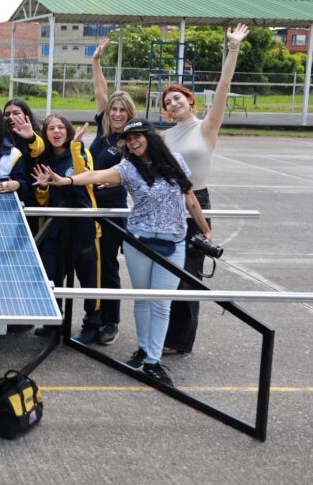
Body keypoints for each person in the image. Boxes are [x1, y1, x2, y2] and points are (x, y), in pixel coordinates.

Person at [33, 120, 211, 387]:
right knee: (141, 300)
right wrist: (64, 180)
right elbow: (95, 176)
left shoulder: (175, 161)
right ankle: (143, 351)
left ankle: (152, 362)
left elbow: (190, 198)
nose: (133, 142)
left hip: (173, 242)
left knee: (161, 303)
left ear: (150, 136)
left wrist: (206, 230)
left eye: (137, 136)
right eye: (128, 139)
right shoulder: (128, 168)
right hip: (139, 242)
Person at [162, 23, 248, 356]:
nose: (174, 103)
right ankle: (164, 333)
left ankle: (180, 341)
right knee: (168, 272)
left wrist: (233, 48)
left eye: (178, 97)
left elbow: (224, 85)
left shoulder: (207, 128)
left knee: (189, 274)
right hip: (170, 205)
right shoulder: (165, 138)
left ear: (190, 101)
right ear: (166, 111)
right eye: (168, 101)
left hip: (199, 200)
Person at [33, 114, 103, 343]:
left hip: (83, 227)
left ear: (68, 131)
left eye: (61, 127)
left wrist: (76, 146)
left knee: (89, 278)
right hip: (55, 228)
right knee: (51, 275)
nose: (56, 132)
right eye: (51, 128)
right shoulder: (44, 159)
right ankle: (54, 321)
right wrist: (43, 188)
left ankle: (92, 324)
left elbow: (87, 177)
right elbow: (42, 200)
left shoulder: (79, 151)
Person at [88, 38, 137, 346]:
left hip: (112, 213)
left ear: (130, 114)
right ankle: (92, 317)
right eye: (114, 109)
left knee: (107, 267)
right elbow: (100, 92)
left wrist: (117, 179)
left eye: (122, 110)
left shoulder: (132, 140)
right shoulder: (103, 131)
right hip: (89, 207)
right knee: (89, 266)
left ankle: (111, 321)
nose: (117, 113)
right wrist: (95, 62)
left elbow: (134, 174)